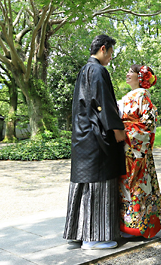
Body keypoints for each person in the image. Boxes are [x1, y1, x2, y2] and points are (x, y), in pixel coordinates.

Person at [63, 34, 127, 250]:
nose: (110, 57)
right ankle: (94, 238)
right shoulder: (98, 71)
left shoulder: (84, 70)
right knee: (99, 186)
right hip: (96, 139)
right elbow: (103, 103)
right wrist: (117, 129)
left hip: (83, 137)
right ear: (103, 49)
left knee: (84, 185)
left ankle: (79, 233)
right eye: (110, 53)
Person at [117, 64, 161, 239]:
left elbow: (148, 124)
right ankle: (126, 226)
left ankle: (139, 227)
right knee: (125, 186)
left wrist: (125, 131)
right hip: (125, 147)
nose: (127, 74)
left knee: (138, 185)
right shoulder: (127, 97)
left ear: (140, 77)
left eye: (130, 72)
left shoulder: (143, 95)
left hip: (137, 149)